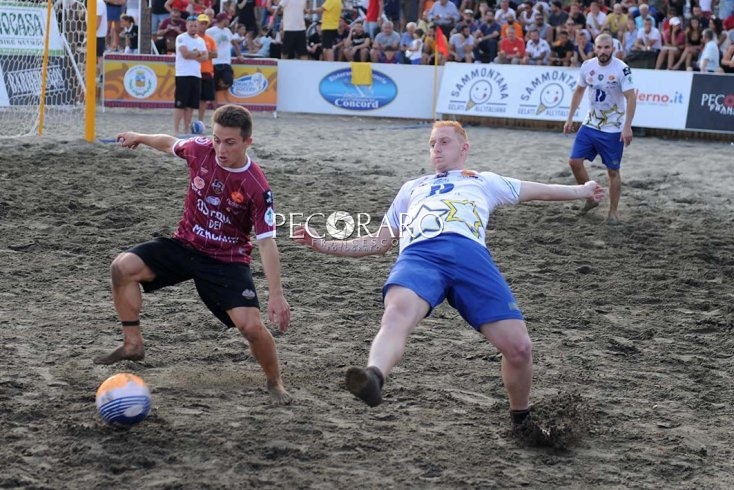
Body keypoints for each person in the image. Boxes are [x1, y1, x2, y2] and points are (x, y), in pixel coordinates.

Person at [292, 120, 605, 433]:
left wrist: (583, 190)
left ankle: (521, 420)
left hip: (470, 256)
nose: (436, 149)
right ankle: (374, 378)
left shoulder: (484, 181)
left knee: (519, 348)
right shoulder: (411, 188)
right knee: (396, 313)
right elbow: (380, 241)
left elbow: (539, 190)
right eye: (432, 143)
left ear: (463, 148)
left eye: (444, 142)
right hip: (419, 255)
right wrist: (322, 244)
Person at [94, 105, 292, 405]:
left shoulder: (256, 186)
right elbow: (169, 142)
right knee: (122, 267)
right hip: (185, 245)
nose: (220, 149)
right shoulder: (201, 150)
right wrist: (139, 136)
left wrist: (276, 294)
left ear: (247, 142)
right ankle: (132, 344)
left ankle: (274, 381)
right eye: (216, 139)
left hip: (226, 259)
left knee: (251, 327)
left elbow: (266, 243)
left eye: (230, 142)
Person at [564, 33, 637, 225]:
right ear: (594, 48)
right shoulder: (587, 66)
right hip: (590, 124)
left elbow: (631, 97)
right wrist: (570, 118)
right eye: (599, 47)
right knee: (574, 162)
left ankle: (613, 213)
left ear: (613, 48)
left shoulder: (622, 69)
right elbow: (579, 91)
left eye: (607, 47)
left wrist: (627, 126)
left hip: (613, 129)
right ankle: (591, 198)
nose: (603, 51)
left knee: (613, 171)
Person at [173, 15, 207, 134]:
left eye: (195, 26)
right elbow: (185, 54)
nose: (193, 28)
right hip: (183, 74)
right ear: (186, 26)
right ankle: (176, 129)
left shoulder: (200, 40)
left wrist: (195, 54)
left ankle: (186, 129)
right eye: (191, 25)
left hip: (196, 74)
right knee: (180, 104)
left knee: (191, 105)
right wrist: (197, 54)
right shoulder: (181, 38)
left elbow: (205, 57)